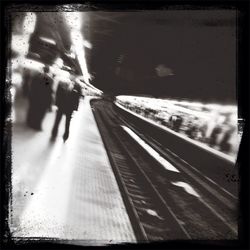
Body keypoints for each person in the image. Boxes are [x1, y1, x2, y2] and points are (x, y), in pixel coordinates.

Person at [51, 74, 82, 142]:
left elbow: (77, 98)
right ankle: (54, 133)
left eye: (74, 75)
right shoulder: (63, 82)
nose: (72, 76)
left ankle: (65, 136)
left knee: (67, 123)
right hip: (61, 105)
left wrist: (75, 108)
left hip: (70, 107)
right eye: (71, 75)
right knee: (57, 120)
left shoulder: (78, 86)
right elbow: (58, 93)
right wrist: (56, 104)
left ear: (76, 77)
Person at [26, 65, 53, 130]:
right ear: (49, 71)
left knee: (33, 109)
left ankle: (29, 122)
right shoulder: (49, 79)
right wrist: (49, 102)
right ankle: (37, 125)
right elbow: (49, 91)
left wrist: (30, 95)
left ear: (43, 70)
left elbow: (32, 86)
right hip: (43, 98)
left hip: (34, 96)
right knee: (41, 112)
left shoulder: (37, 76)